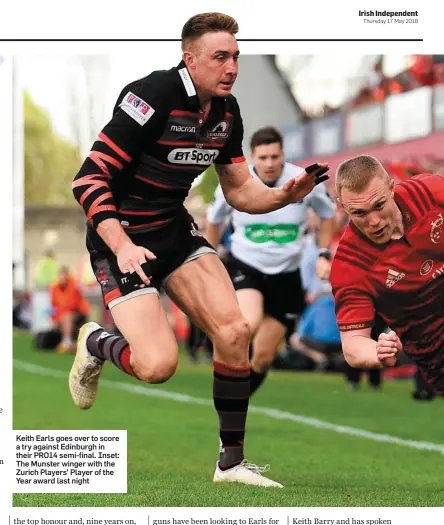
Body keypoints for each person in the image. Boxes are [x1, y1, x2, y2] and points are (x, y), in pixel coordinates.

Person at [69, 12, 329, 488]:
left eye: (236, 57)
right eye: (220, 57)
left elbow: (240, 192)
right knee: (158, 366)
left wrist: (283, 197)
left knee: (234, 330)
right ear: (190, 59)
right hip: (120, 237)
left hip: (173, 231)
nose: (231, 67)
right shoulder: (151, 96)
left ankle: (230, 463)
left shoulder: (228, 115)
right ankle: (94, 343)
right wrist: (123, 246)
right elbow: (88, 180)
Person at [205, 126, 336, 397]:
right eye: (262, 158)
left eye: (274, 157)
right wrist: (210, 254)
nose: (269, 163)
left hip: (287, 274)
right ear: (252, 157)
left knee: (263, 358)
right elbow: (214, 218)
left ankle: (234, 400)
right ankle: (224, 375)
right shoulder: (235, 181)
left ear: (283, 155)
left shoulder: (304, 181)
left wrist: (324, 253)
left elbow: (328, 215)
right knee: (248, 323)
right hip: (246, 266)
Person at [330, 154, 444, 415]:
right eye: (359, 213)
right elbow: (353, 344)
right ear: (342, 206)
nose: (374, 221)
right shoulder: (350, 266)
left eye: (379, 205)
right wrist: (377, 352)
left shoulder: (432, 191)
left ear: (392, 186)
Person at [50, 266, 91, 352]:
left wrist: (61, 315)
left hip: (79, 312)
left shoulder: (73, 286)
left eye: (65, 276)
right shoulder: (54, 288)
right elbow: (54, 305)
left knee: (67, 316)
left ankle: (67, 341)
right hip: (63, 313)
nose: (63, 279)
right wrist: (55, 318)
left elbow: (73, 305)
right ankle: (59, 341)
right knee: (56, 320)